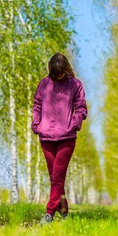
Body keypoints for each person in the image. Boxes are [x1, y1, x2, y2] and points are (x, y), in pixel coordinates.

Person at [31, 52, 88, 225]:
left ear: (66, 69)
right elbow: (37, 104)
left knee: (58, 177)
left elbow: (81, 107)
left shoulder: (75, 85)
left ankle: (49, 214)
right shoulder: (44, 84)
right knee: (55, 177)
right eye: (55, 73)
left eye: (61, 72)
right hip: (46, 137)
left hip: (67, 137)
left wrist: (75, 123)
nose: (58, 76)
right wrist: (36, 124)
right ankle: (64, 214)